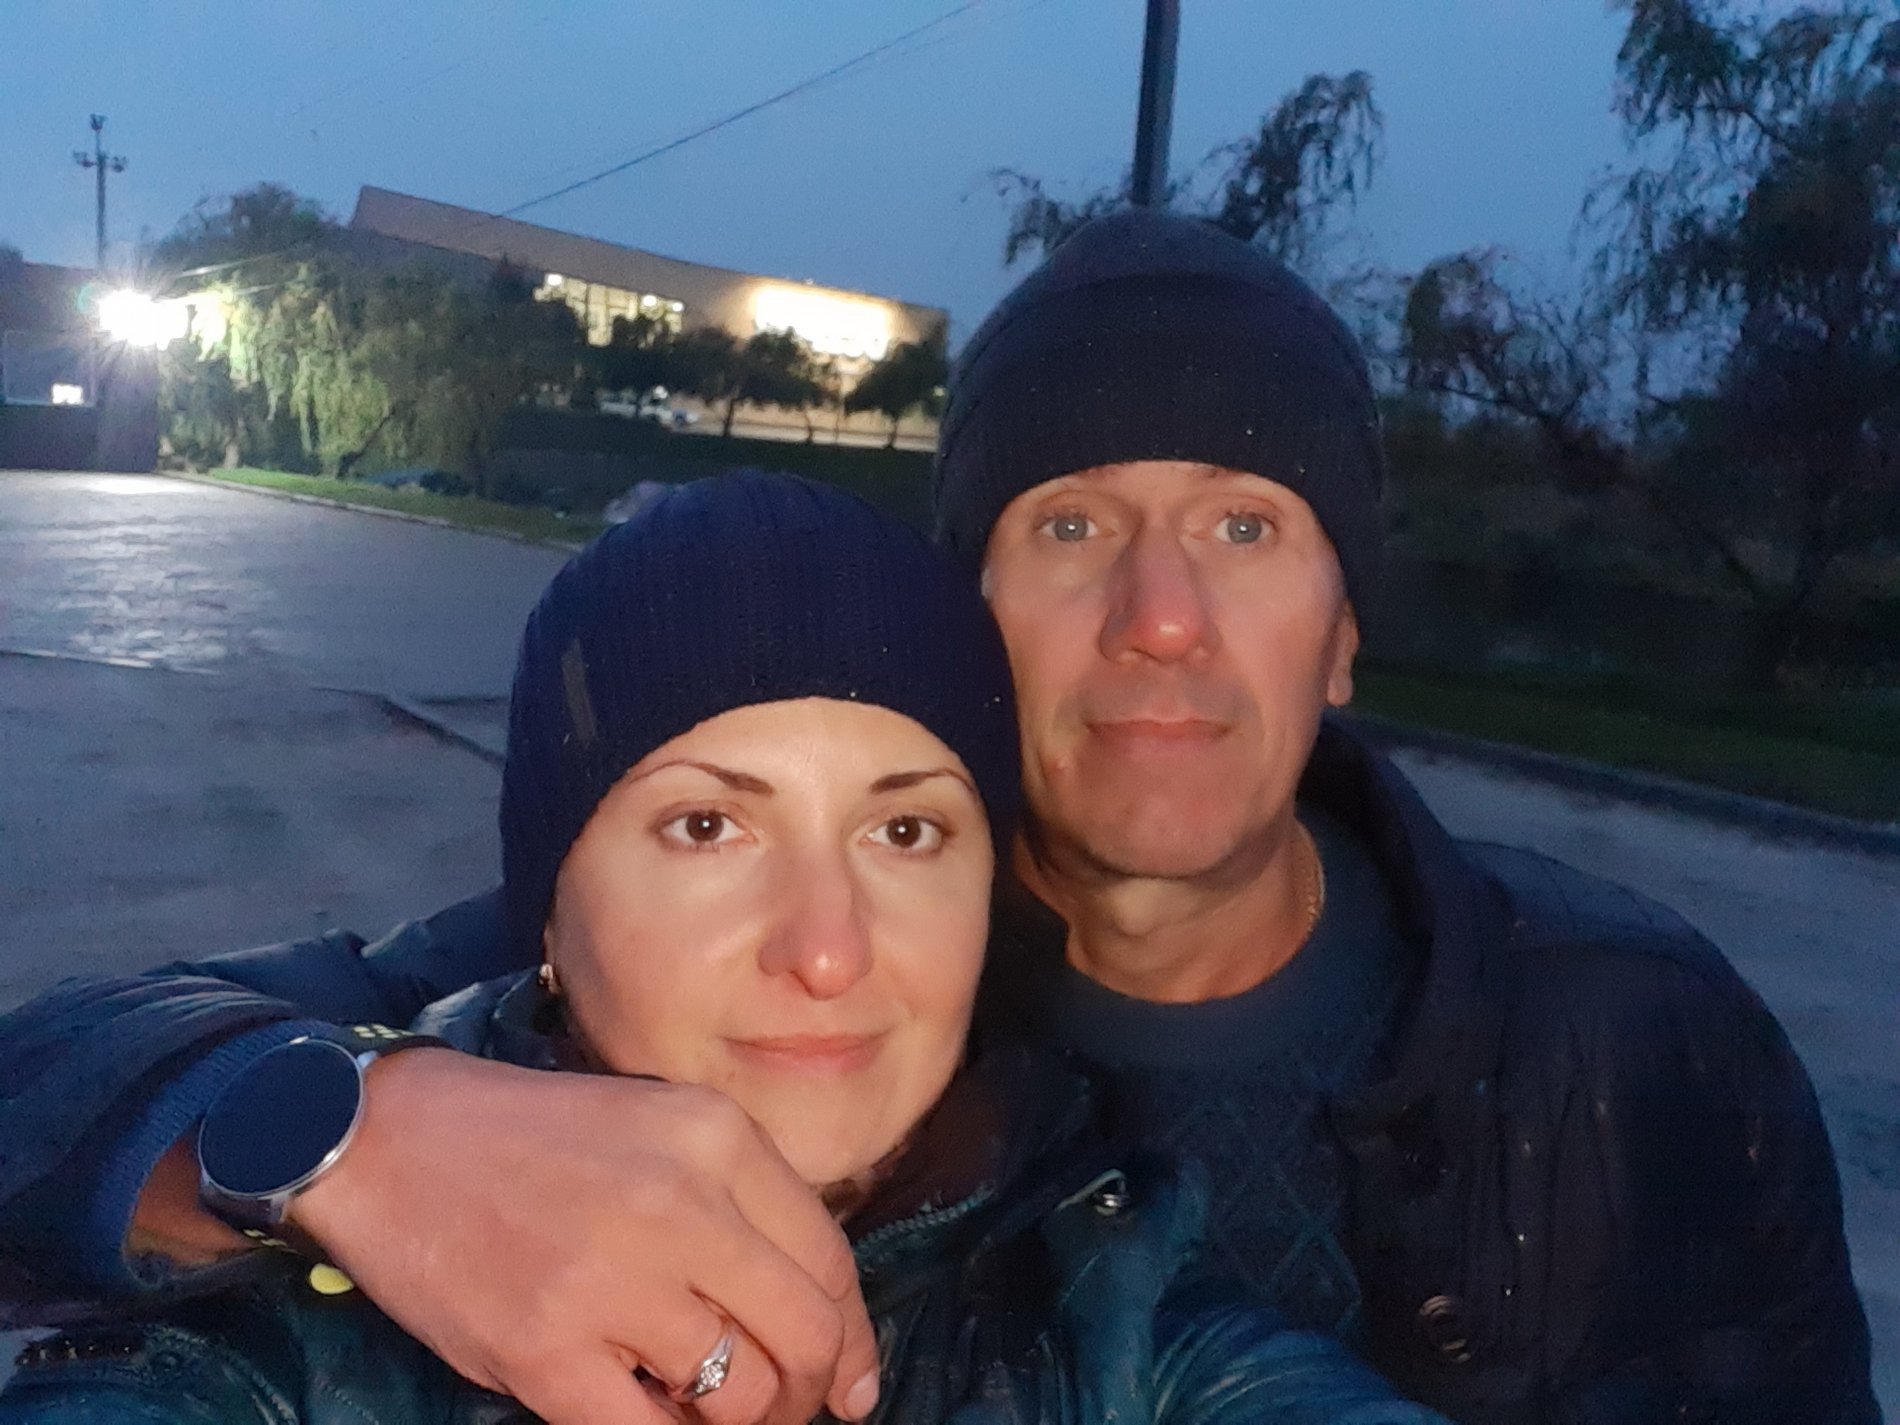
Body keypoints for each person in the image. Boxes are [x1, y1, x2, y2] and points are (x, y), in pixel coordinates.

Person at [0, 211, 1877, 1425]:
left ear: (1346, 628)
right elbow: (62, 1073)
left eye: (1246, 525)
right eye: (1073, 525)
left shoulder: (1641, 1042)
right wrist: (363, 1135)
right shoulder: (690, 977)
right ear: (970, 624)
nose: (1161, 615)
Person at [0, 471, 1448, 1425]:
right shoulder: (309, 1328)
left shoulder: (1111, 1289)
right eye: (707, 827)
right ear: (544, 911)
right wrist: (356, 1145)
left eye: (906, 831)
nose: (827, 953)